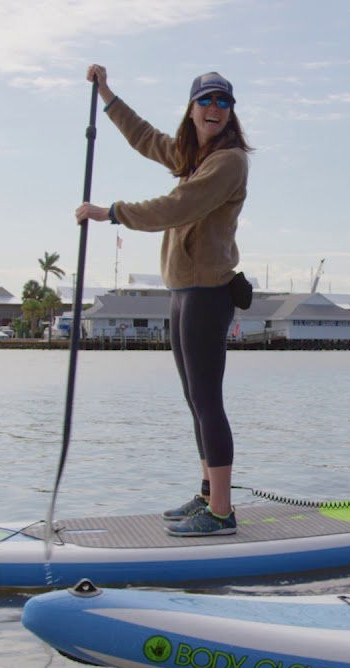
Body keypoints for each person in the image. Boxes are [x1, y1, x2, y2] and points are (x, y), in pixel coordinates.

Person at [76, 65, 251, 537]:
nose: (214, 109)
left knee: (208, 400)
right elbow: (144, 137)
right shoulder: (192, 154)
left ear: (230, 113)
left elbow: (179, 207)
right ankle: (206, 493)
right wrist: (107, 93)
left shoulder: (228, 161)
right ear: (192, 109)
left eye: (223, 102)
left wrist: (111, 212)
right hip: (182, 291)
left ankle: (221, 512)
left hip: (208, 292)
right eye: (206, 101)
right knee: (194, 399)